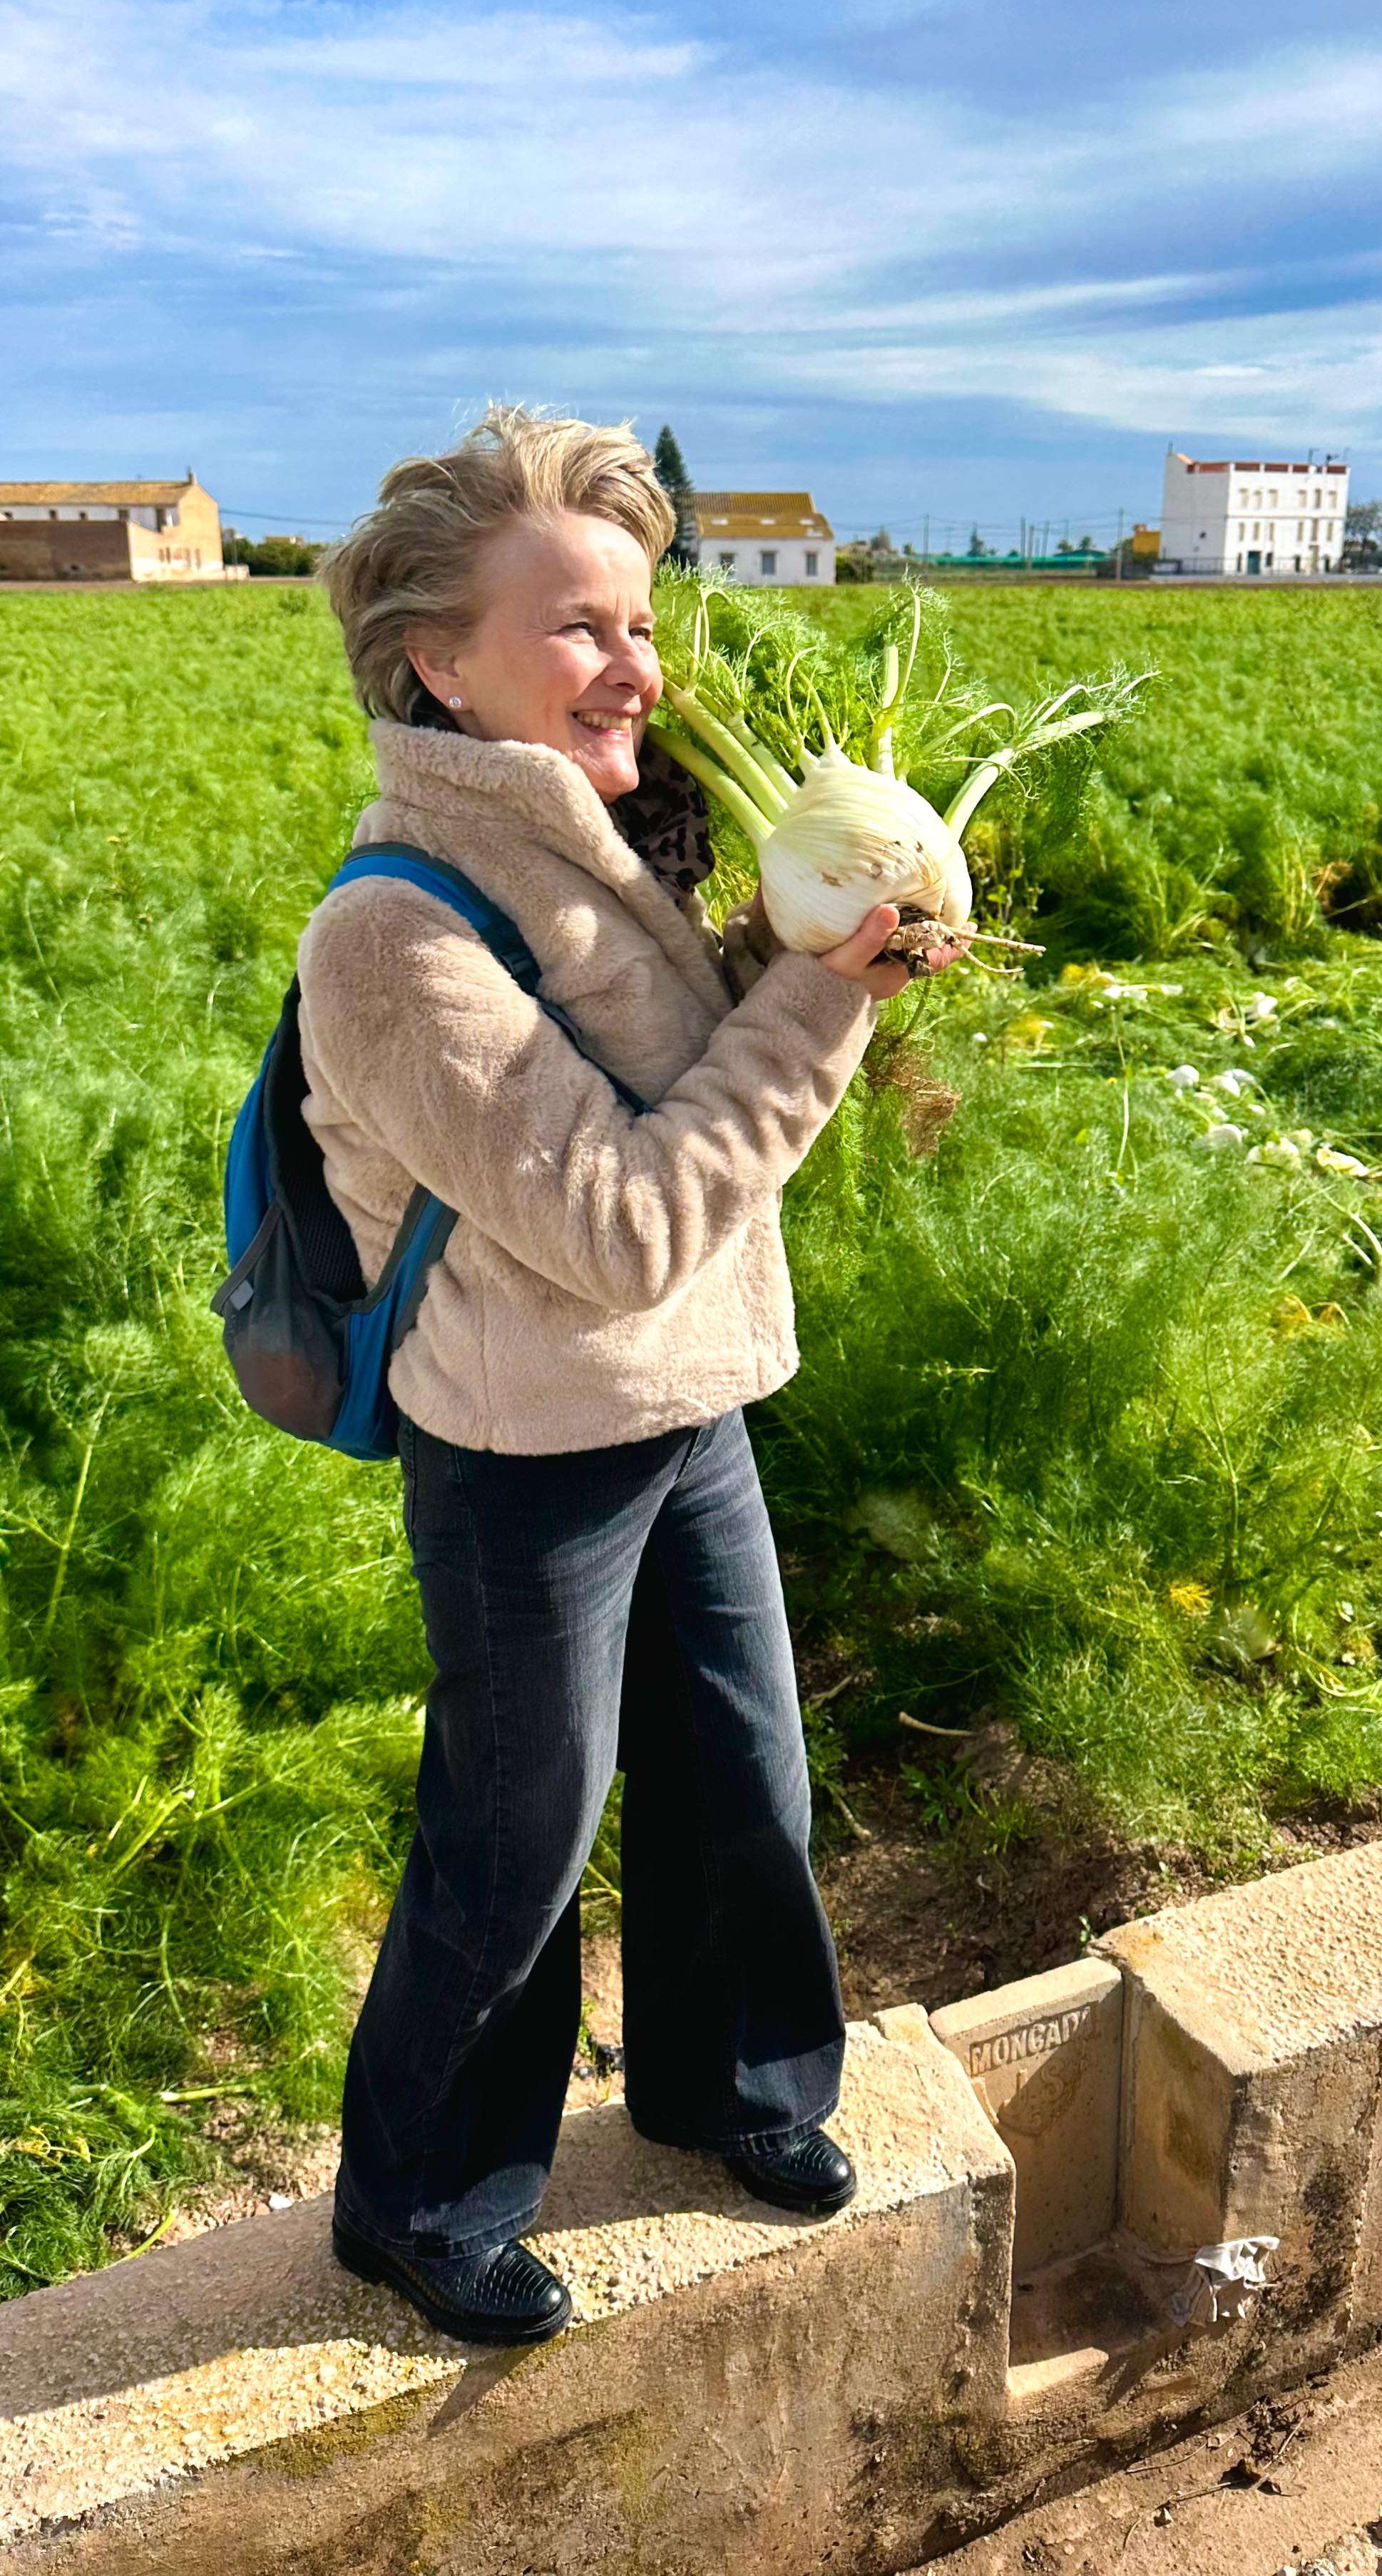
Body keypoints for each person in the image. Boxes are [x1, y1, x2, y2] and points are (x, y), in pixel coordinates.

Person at [302, 407, 963, 2348]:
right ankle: (416, 2196)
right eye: (578, 625)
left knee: (739, 1765)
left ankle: (727, 2086)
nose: (635, 666)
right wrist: (827, 989)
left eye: (642, 619)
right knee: (520, 1827)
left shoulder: (627, 842)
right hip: (523, 1442)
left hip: (686, 1404)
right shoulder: (395, 933)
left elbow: (704, 1114)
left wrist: (816, 939)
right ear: (439, 659)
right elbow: (620, 1220)